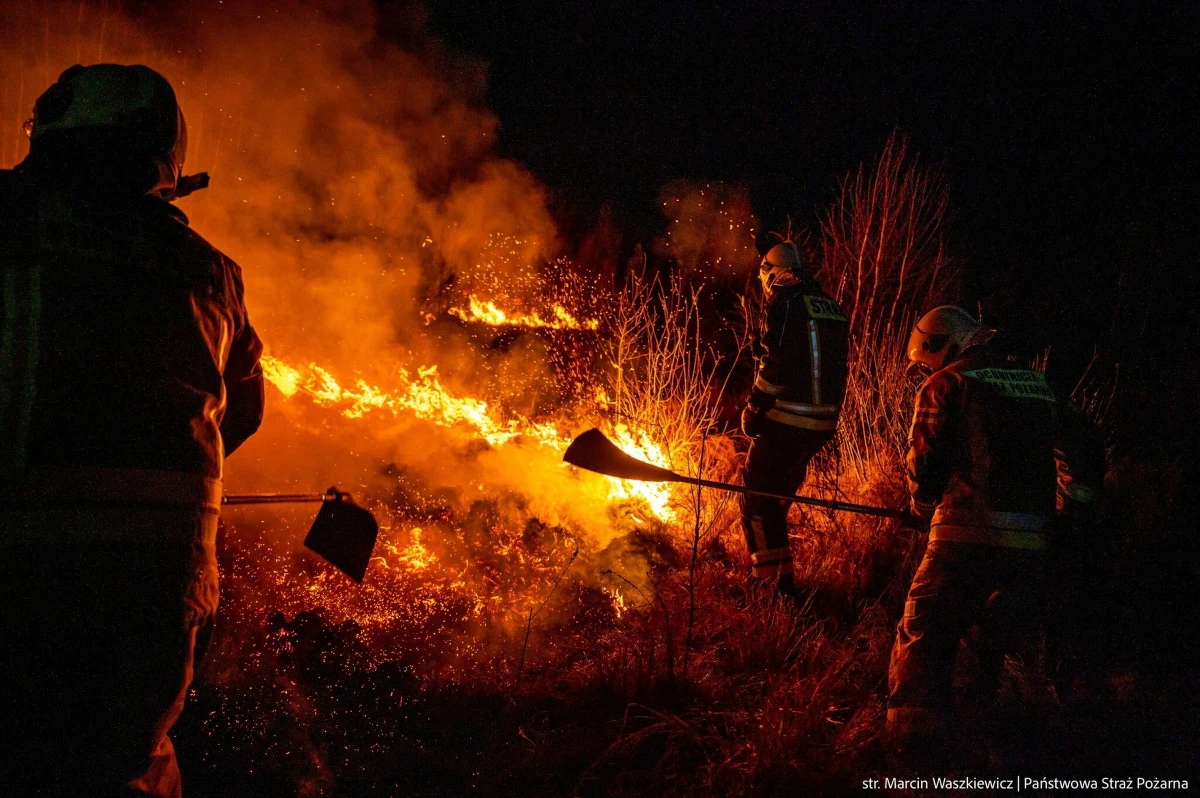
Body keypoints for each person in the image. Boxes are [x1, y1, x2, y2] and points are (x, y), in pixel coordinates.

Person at [0, 64, 264, 796]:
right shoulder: (213, 274)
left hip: (17, 588)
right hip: (156, 606)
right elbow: (242, 416)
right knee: (128, 767)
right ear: (165, 156)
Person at [886, 305, 1103, 763]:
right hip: (1032, 546)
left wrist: (921, 508)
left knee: (925, 630)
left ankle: (911, 749)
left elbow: (925, 463)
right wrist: (1071, 507)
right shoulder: (1038, 384)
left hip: (963, 534)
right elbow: (1085, 446)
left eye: (926, 360)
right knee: (991, 638)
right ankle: (983, 734)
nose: (925, 370)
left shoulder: (945, 384)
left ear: (942, 345)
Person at [739, 241, 849, 596]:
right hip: (821, 425)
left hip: (787, 419)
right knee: (775, 504)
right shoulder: (831, 306)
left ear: (773, 274)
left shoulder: (784, 303)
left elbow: (777, 363)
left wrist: (755, 407)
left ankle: (767, 589)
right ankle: (782, 587)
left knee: (756, 502)